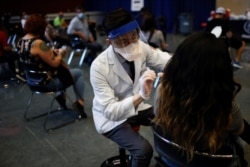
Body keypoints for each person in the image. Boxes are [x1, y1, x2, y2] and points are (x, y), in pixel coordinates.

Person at [153, 31, 250, 166]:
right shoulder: (224, 108)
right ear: (221, 70)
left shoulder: (162, 91)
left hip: (172, 157)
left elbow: (158, 116)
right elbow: (240, 129)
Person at [90, 8, 172, 167]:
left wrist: (185, 63)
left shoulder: (140, 45)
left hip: (136, 106)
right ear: (109, 41)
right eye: (122, 41)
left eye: (133, 36)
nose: (131, 44)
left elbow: (164, 60)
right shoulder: (99, 67)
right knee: (143, 150)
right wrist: (141, 95)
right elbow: (110, 111)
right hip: (110, 117)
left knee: (168, 123)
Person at [16, 14, 87, 118]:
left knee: (61, 72)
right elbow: (55, 63)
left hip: (32, 82)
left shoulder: (20, 41)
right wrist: (61, 53)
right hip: (47, 83)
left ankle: (62, 101)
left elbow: (38, 57)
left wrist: (53, 52)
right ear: (40, 28)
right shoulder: (37, 43)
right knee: (78, 73)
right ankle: (80, 103)